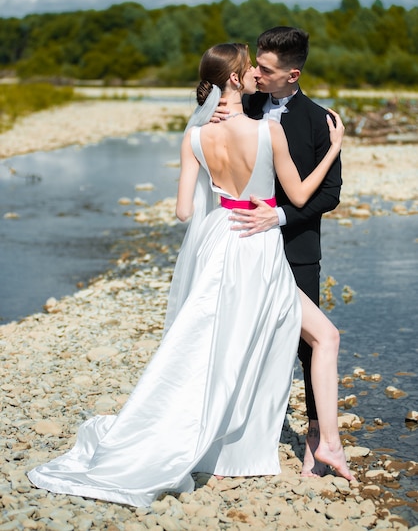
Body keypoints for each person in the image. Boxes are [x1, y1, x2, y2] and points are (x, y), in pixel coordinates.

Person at [28, 43, 353, 510]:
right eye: (251, 70)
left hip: (219, 237)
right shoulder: (270, 130)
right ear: (239, 80)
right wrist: (335, 147)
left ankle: (229, 441)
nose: (257, 76)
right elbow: (300, 196)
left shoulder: (196, 136)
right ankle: (309, 444)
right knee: (312, 338)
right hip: (257, 244)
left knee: (213, 342)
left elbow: (184, 211)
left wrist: (215, 182)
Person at [214, 27, 343, 477]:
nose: (256, 74)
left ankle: (314, 436)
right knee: (242, 333)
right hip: (246, 244)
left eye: (266, 70)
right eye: (255, 67)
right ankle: (238, 430)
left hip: (297, 250)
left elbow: (330, 194)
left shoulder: (319, 120)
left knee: (308, 346)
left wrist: (281, 217)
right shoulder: (244, 109)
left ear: (293, 74)